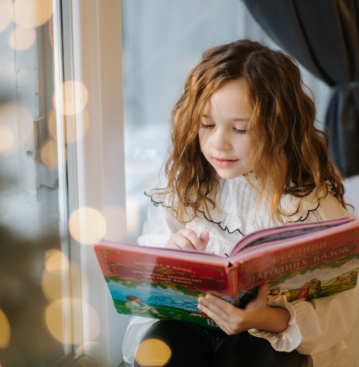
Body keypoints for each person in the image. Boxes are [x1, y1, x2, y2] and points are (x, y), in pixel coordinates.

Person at [122, 40, 358, 367]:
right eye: (206, 124)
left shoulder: (310, 205)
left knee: (248, 358)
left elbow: (339, 313)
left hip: (268, 335)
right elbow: (145, 291)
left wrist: (263, 318)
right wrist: (172, 255)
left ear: (278, 127)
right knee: (161, 351)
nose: (219, 142)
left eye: (240, 129)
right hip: (194, 326)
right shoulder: (185, 185)